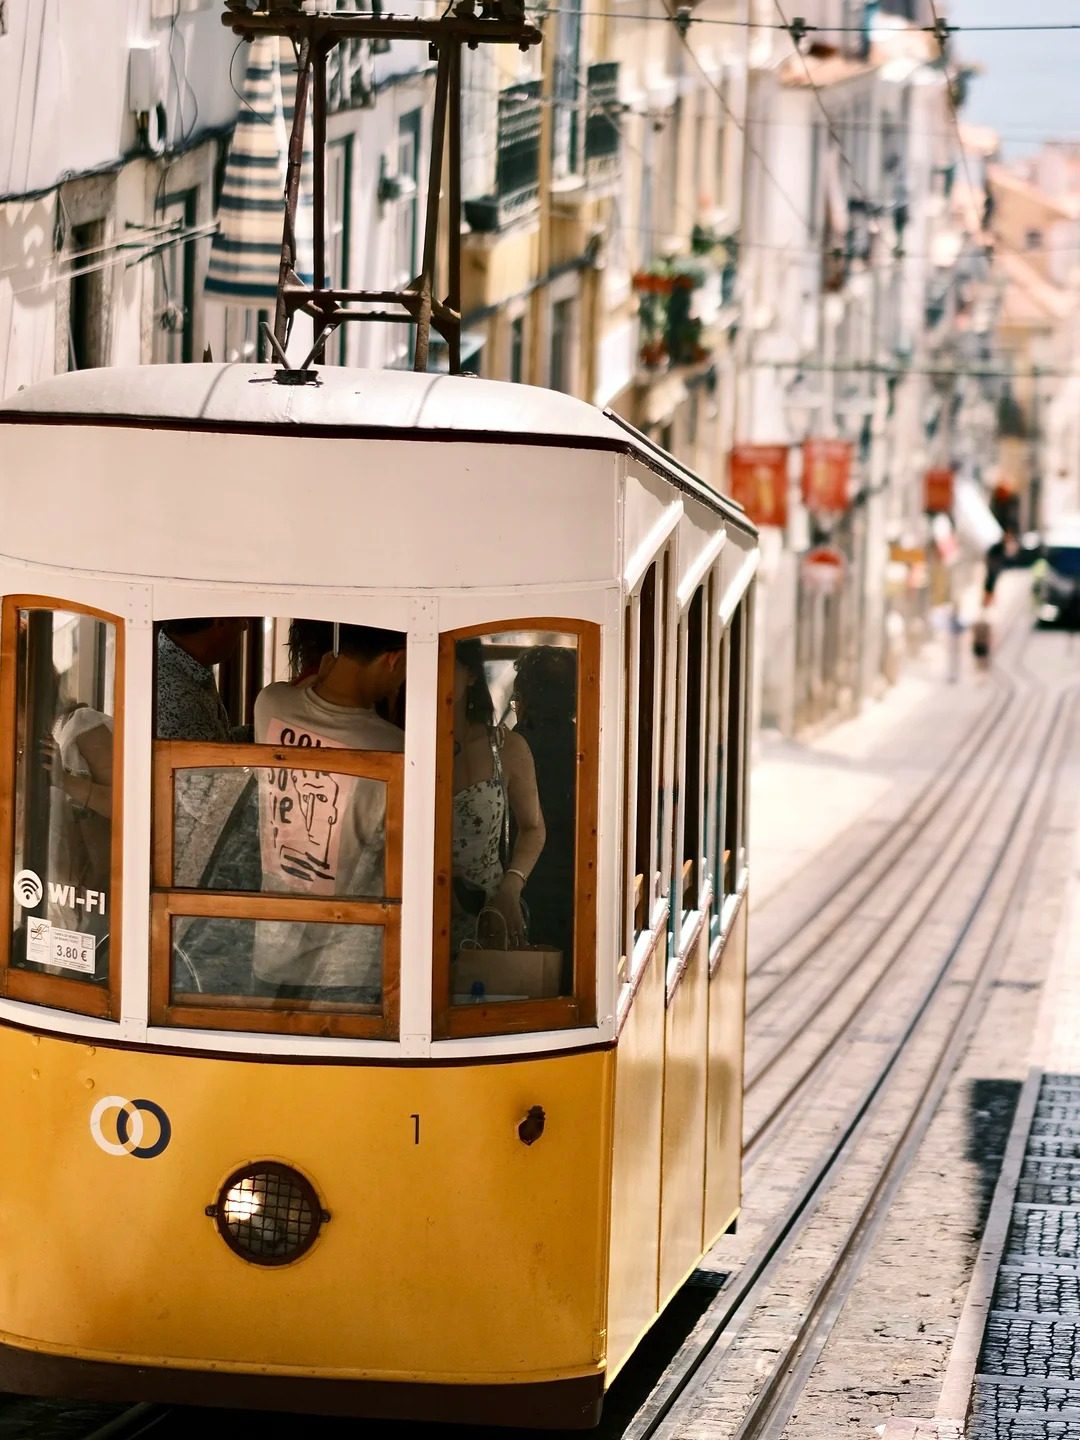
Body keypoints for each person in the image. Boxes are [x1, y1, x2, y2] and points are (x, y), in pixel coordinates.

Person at [251, 624, 408, 998]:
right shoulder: (394, 750)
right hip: (347, 966)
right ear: (394, 659)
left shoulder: (270, 704)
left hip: (271, 943)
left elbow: (305, 690)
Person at [451, 639, 545, 956]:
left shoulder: (506, 748)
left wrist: (511, 887)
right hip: (413, 909)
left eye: (447, 665)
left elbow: (533, 827)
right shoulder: (397, 744)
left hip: (489, 915)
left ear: (471, 675)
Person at [510, 646, 577, 972]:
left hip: (520, 888)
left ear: (524, 699)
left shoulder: (512, 746)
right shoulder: (588, 743)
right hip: (575, 890)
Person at [156, 617, 247, 740]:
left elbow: (216, 738)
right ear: (220, 622)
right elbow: (213, 751)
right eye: (241, 618)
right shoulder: (182, 702)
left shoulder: (170, 664)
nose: (245, 626)